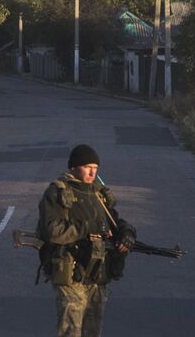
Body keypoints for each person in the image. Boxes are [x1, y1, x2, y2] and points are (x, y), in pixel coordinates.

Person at [37, 144, 136, 337]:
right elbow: (51, 230)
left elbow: (113, 221)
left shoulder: (98, 194)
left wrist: (127, 233)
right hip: (71, 272)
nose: (92, 172)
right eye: (87, 167)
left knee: (93, 329)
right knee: (71, 330)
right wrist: (85, 229)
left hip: (98, 273)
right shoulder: (58, 193)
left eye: (95, 168)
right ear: (73, 167)